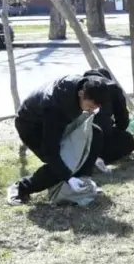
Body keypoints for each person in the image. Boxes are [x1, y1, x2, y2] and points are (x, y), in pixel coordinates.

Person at [6, 75, 110, 206]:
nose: (92, 110)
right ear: (81, 93)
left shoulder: (84, 85)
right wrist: (68, 177)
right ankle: (21, 187)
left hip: (56, 120)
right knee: (60, 162)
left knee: (95, 133)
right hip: (31, 125)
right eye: (90, 106)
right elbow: (51, 151)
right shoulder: (57, 108)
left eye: (95, 107)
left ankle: (82, 181)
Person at [83, 68, 134, 168]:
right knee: (129, 141)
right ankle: (98, 158)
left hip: (77, 141)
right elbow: (123, 120)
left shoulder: (79, 86)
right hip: (99, 137)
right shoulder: (112, 88)